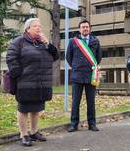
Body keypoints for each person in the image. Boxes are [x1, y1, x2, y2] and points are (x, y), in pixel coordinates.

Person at [6, 18, 59, 146]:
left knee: (36, 108)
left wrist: (48, 44)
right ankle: (23, 135)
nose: (39, 28)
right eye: (35, 26)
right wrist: (18, 73)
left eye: (40, 26)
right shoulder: (19, 41)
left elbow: (55, 56)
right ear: (27, 29)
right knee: (23, 108)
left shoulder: (42, 42)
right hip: (25, 82)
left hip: (40, 82)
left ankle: (34, 132)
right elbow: (11, 57)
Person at [66, 19, 102, 132]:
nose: (85, 28)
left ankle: (92, 124)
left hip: (91, 76)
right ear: (79, 29)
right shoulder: (73, 41)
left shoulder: (95, 41)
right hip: (77, 76)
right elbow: (68, 57)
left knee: (91, 101)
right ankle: (73, 124)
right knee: (75, 101)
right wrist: (76, 66)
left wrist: (93, 67)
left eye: (87, 27)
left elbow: (99, 57)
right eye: (83, 27)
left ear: (90, 29)